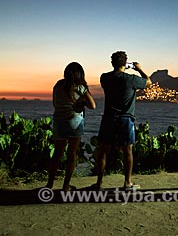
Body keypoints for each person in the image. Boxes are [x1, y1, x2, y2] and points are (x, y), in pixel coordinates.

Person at [94, 51, 151, 190]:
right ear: (125, 63)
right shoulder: (131, 79)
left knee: (104, 151)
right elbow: (148, 82)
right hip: (125, 119)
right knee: (127, 151)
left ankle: (99, 183)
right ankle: (127, 183)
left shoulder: (104, 78)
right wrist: (139, 69)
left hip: (108, 118)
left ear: (112, 62)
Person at [47, 62, 96, 191]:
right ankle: (66, 185)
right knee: (72, 154)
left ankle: (50, 184)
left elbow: (55, 103)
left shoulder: (58, 85)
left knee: (57, 154)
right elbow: (93, 105)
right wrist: (82, 104)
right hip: (75, 123)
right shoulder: (80, 88)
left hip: (59, 122)